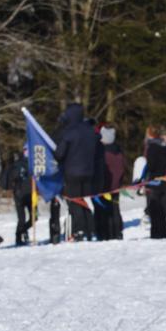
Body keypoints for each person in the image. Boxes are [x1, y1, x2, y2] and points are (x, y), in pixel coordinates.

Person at [53, 103, 99, 241]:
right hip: (89, 172)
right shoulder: (90, 131)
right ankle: (90, 229)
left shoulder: (69, 132)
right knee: (85, 200)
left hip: (72, 172)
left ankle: (79, 230)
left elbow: (60, 154)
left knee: (75, 201)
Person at [145, 124, 166, 239]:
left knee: (156, 209)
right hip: (163, 180)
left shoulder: (152, 147)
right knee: (162, 209)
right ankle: (162, 233)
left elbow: (150, 165)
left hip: (154, 181)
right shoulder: (165, 148)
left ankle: (156, 234)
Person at [2, 148, 33, 246]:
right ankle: (18, 238)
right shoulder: (17, 165)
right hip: (20, 195)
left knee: (34, 217)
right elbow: (12, 179)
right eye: (26, 151)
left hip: (31, 194)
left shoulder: (34, 164)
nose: (27, 153)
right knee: (21, 219)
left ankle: (23, 231)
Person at [100, 124, 125, 239]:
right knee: (115, 209)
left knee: (107, 210)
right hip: (116, 185)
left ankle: (109, 233)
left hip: (106, 186)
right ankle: (118, 232)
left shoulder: (103, 153)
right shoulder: (118, 151)